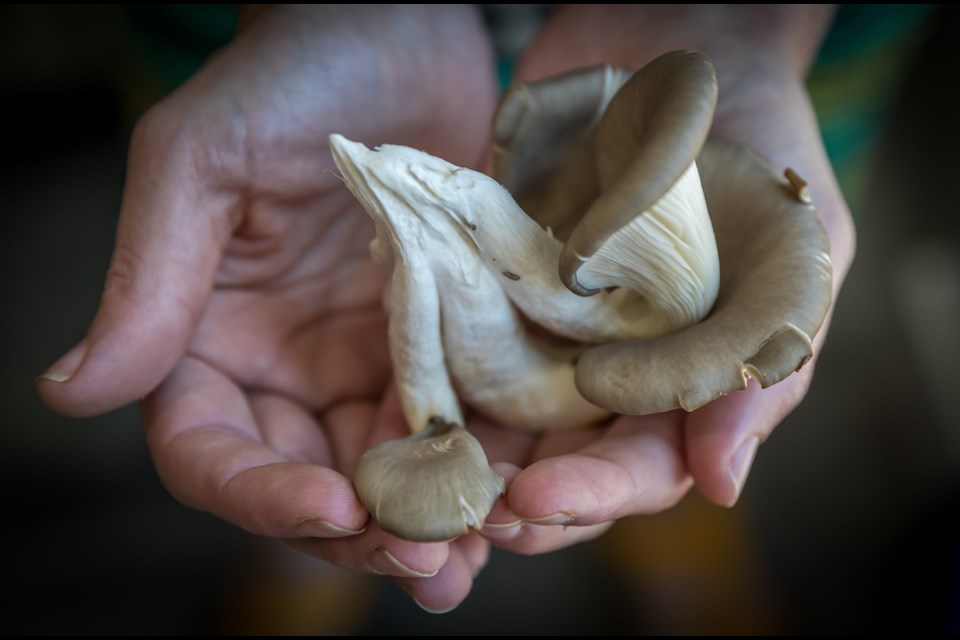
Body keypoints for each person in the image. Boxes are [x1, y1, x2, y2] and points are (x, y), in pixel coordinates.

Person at [34, 4, 914, 614]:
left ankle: (675, 534)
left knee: (687, 416)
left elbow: (633, 335)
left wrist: (747, 15)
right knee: (320, 499)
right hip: (231, 33)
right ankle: (311, 568)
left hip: (771, 54)